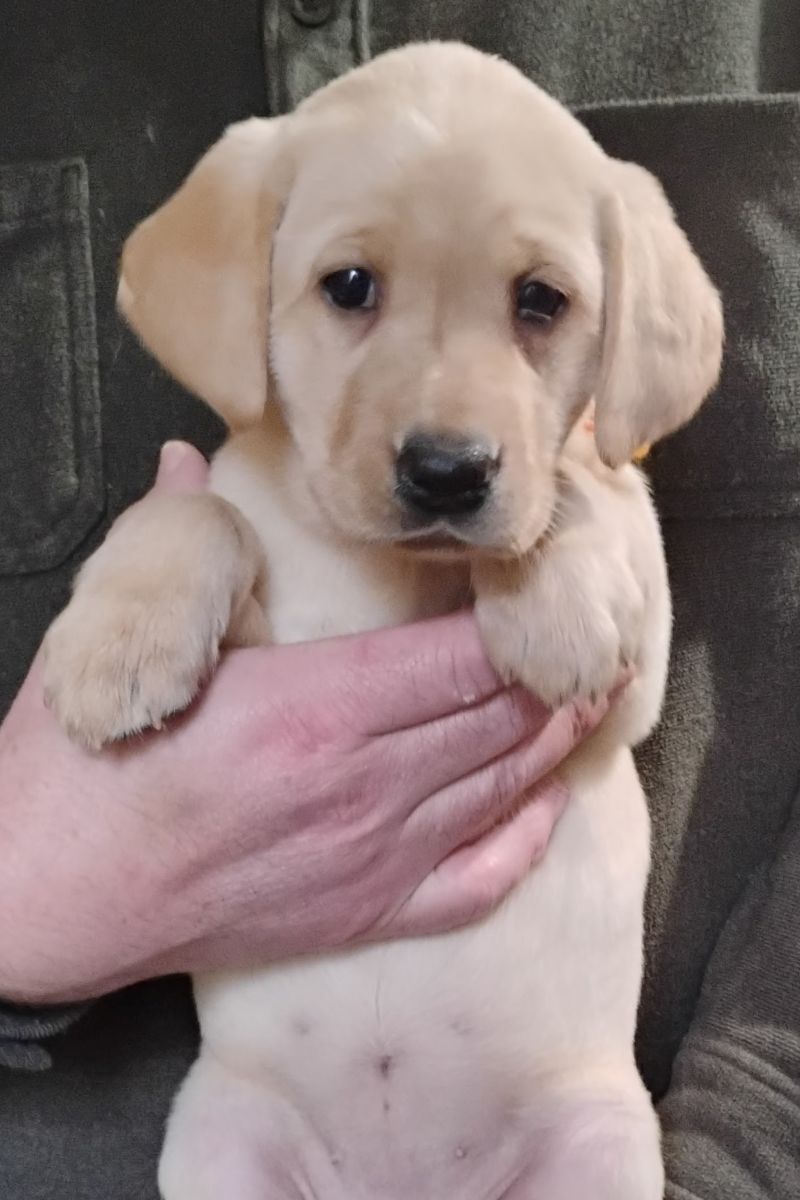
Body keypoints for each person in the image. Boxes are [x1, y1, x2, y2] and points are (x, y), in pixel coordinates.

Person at [1, 2, 798, 1198]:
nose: (446, 431)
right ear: (250, 290)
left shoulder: (581, 510)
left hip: (561, 1129)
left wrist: (571, 519)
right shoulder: (239, 494)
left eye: (537, 305)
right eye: (352, 286)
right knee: (219, 1134)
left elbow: (613, 690)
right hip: (269, 1126)